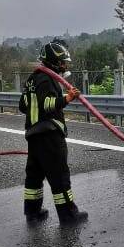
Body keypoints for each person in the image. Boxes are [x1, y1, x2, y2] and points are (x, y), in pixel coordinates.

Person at [18, 39, 87, 225]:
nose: (65, 65)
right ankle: (68, 215)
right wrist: (68, 98)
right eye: (63, 61)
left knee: (34, 176)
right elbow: (48, 105)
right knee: (59, 176)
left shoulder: (33, 78)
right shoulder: (47, 79)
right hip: (49, 135)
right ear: (55, 62)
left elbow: (23, 106)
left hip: (33, 136)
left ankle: (32, 214)